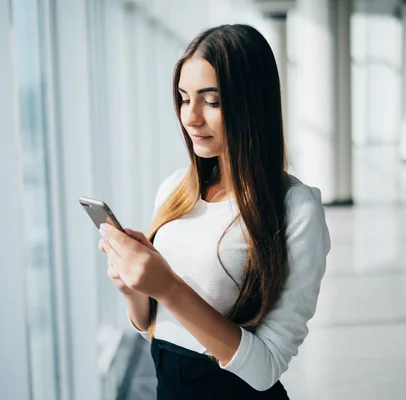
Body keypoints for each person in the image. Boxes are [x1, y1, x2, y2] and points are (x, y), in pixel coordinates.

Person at [98, 24, 331, 399]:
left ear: (252, 104)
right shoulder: (176, 189)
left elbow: (266, 368)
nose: (190, 117)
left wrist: (168, 287)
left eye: (212, 101)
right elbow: (153, 327)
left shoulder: (297, 210)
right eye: (183, 98)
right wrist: (133, 289)